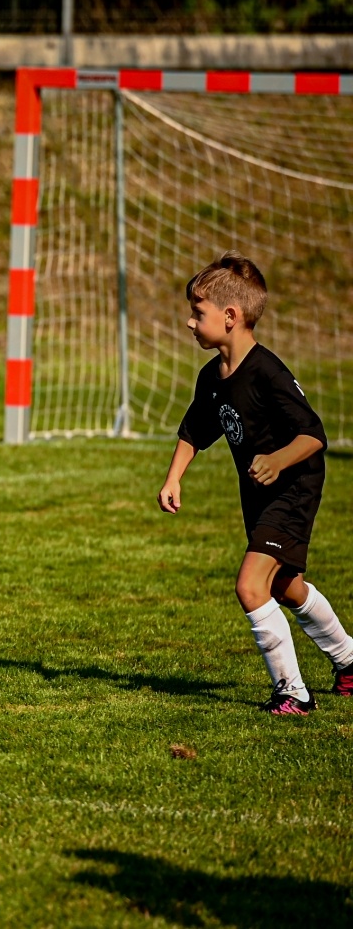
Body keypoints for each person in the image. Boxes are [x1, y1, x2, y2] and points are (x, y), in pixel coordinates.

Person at [159, 253, 353, 714]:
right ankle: (349, 660)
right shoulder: (213, 378)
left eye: (198, 313)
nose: (189, 322)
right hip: (260, 493)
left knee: (251, 586)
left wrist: (277, 459)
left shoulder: (268, 372)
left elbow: (313, 435)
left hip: (293, 487)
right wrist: (173, 478)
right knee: (286, 584)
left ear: (231, 317)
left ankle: (292, 693)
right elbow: (193, 431)